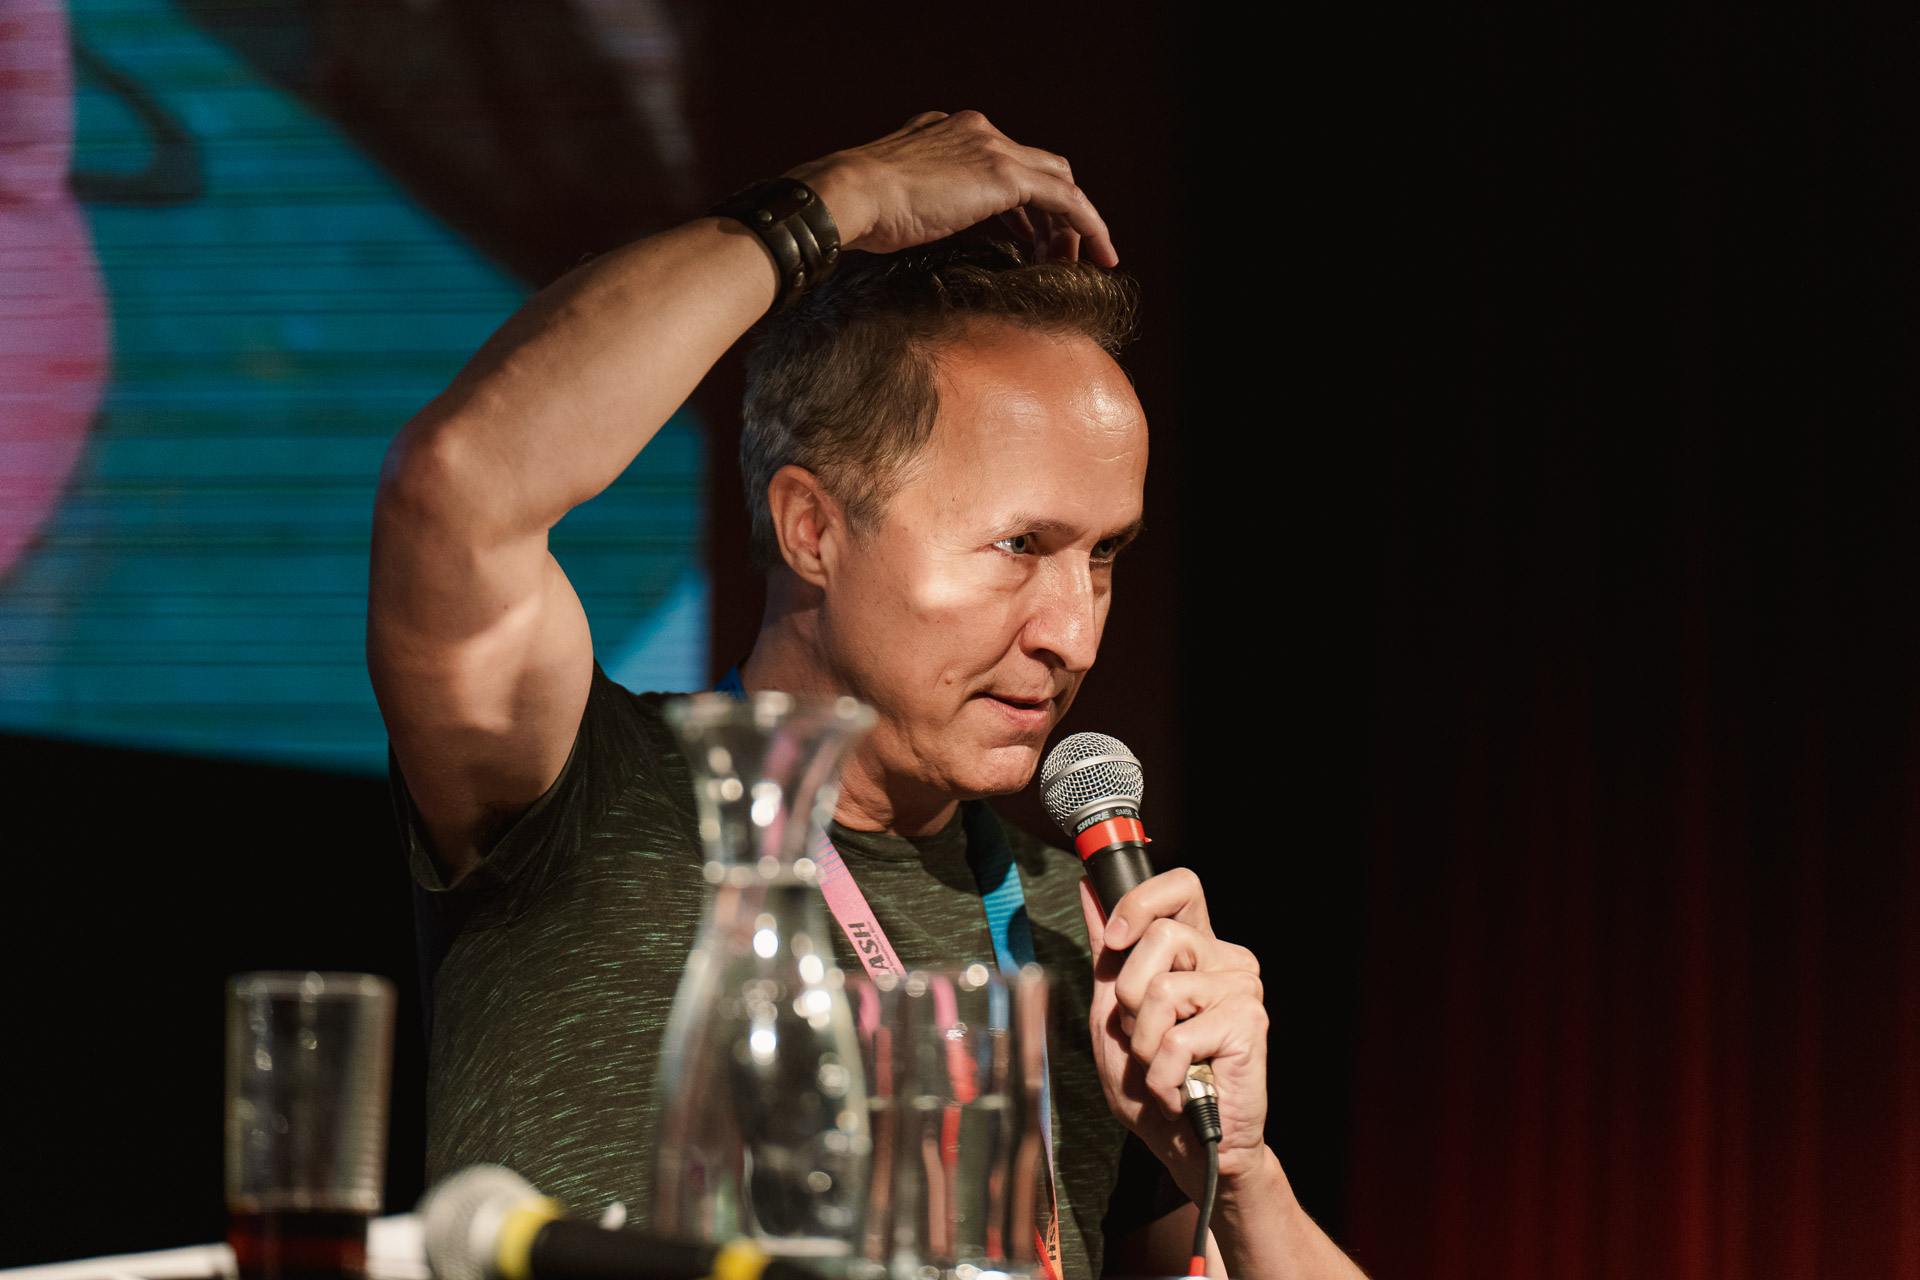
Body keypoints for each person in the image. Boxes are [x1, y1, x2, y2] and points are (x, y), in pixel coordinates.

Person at [368, 110, 1363, 1279]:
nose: (1072, 631)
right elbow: (460, 482)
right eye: (1020, 544)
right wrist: (840, 197)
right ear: (812, 527)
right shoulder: (588, 797)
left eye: (1102, 555)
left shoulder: (1086, 942)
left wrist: (1238, 1170)